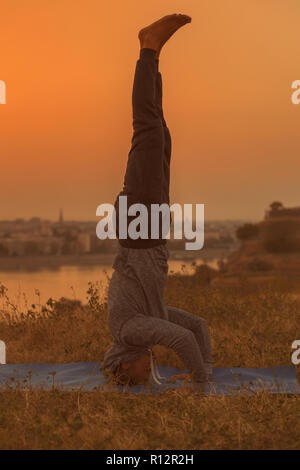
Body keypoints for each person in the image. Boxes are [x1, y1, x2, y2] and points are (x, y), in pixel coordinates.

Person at [102, 14, 212, 392]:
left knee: (147, 128)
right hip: (145, 230)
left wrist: (201, 385)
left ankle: (148, 47)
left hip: (140, 228)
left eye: (139, 378)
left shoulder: (131, 330)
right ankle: (154, 53)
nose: (148, 374)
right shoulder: (146, 324)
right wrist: (205, 372)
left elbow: (181, 341)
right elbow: (196, 328)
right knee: (160, 134)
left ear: (124, 368)